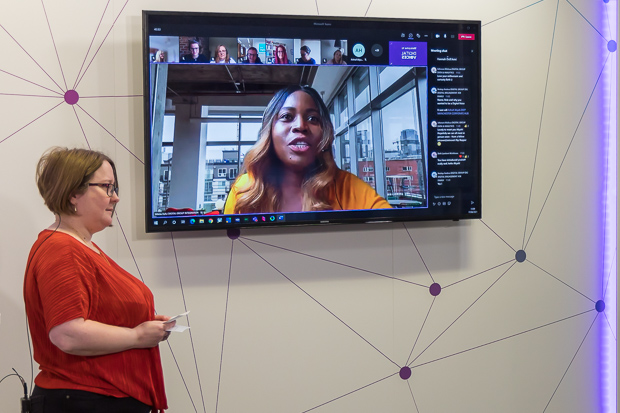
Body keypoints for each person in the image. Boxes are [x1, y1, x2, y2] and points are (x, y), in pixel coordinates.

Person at [24, 148, 174, 413]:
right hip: (85, 400)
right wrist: (137, 335)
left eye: (114, 188)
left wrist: (141, 324)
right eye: (106, 187)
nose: (115, 198)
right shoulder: (61, 248)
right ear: (73, 193)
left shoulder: (81, 246)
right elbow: (67, 334)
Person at [224, 86, 391, 213]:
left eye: (312, 118)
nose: (301, 126)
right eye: (287, 117)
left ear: (324, 133)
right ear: (270, 130)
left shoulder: (349, 188)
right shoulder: (244, 190)